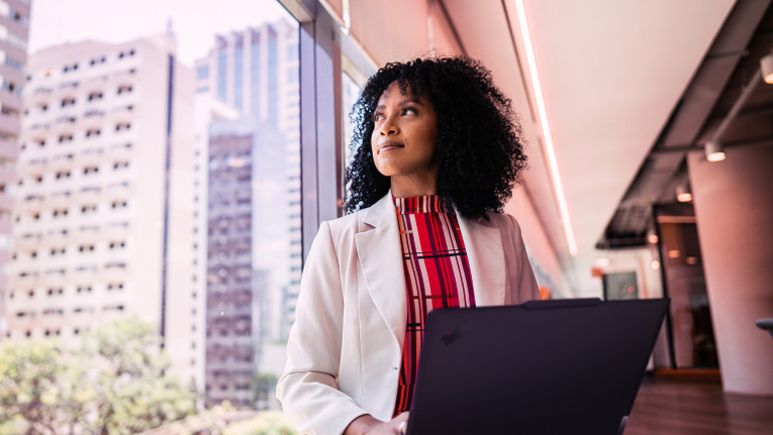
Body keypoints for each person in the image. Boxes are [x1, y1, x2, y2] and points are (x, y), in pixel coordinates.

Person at [276, 56, 540, 435]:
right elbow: (302, 378)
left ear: (450, 126)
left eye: (409, 111)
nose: (386, 128)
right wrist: (367, 428)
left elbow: (528, 352)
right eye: (379, 117)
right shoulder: (339, 240)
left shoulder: (503, 232)